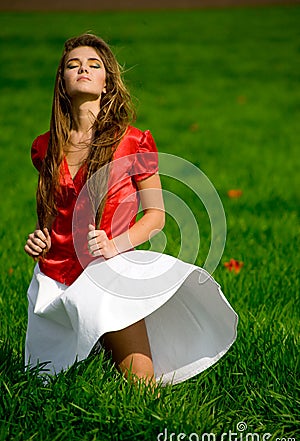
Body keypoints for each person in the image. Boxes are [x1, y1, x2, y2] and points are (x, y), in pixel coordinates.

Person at [24, 33, 238, 386]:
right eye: (73, 65)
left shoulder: (133, 141)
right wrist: (39, 240)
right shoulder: (44, 147)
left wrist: (115, 245)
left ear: (107, 83)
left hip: (108, 273)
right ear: (62, 81)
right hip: (55, 280)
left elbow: (156, 216)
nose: (83, 69)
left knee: (141, 382)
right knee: (45, 386)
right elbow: (52, 218)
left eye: (94, 65)